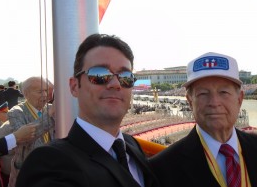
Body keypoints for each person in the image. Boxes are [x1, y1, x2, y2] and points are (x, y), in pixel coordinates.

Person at [16, 34, 160, 187]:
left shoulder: (131, 146)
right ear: (74, 86)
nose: (116, 83)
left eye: (126, 76)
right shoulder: (49, 163)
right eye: (100, 75)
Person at [150, 52, 257, 187]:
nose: (214, 102)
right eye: (203, 93)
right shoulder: (162, 169)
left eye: (224, 92)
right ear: (189, 101)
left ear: (239, 99)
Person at [7, 77, 55, 187]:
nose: (45, 95)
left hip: (51, 169)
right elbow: (24, 139)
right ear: (26, 94)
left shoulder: (51, 108)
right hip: (27, 171)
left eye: (46, 91)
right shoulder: (16, 112)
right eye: (40, 91)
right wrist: (49, 115)